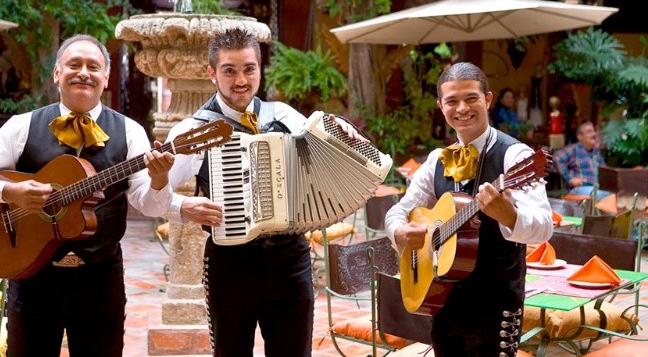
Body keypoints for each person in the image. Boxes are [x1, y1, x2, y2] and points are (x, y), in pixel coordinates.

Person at [0, 34, 175, 357]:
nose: (84, 72)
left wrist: (159, 178)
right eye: (74, 64)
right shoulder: (23, 126)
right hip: (32, 276)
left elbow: (149, 204)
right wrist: (10, 191)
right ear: (57, 74)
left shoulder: (130, 131)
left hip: (100, 277)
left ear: (105, 78)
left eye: (93, 66)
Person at [161, 28, 364, 356]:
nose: (241, 80)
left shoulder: (283, 115)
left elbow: (322, 145)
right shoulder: (193, 130)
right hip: (230, 264)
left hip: (290, 260)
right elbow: (150, 194)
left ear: (259, 69)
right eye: (229, 70)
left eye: (249, 69)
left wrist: (338, 130)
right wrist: (184, 207)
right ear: (211, 74)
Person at [384, 62, 553, 357]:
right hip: (442, 301)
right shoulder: (438, 159)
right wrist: (399, 232)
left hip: (495, 303)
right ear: (441, 106)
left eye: (471, 97)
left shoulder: (515, 156)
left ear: (487, 99)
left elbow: (543, 228)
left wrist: (508, 216)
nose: (462, 108)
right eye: (452, 101)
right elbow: (400, 211)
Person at [553, 120, 611, 199]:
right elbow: (557, 157)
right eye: (589, 132)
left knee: (613, 195)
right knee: (602, 195)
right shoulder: (575, 149)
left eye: (594, 131)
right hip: (580, 188)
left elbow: (605, 171)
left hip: (597, 189)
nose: (593, 134)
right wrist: (570, 178)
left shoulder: (596, 153)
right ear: (580, 137)